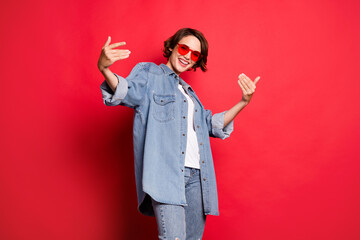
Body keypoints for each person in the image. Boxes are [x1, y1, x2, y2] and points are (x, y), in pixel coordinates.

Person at [98, 28, 260, 240]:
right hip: (167, 176)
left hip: (198, 178)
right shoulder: (149, 74)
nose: (187, 56)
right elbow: (126, 91)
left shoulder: (189, 93)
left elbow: (211, 124)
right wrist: (104, 68)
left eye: (195, 54)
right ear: (172, 47)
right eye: (184, 48)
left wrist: (243, 102)